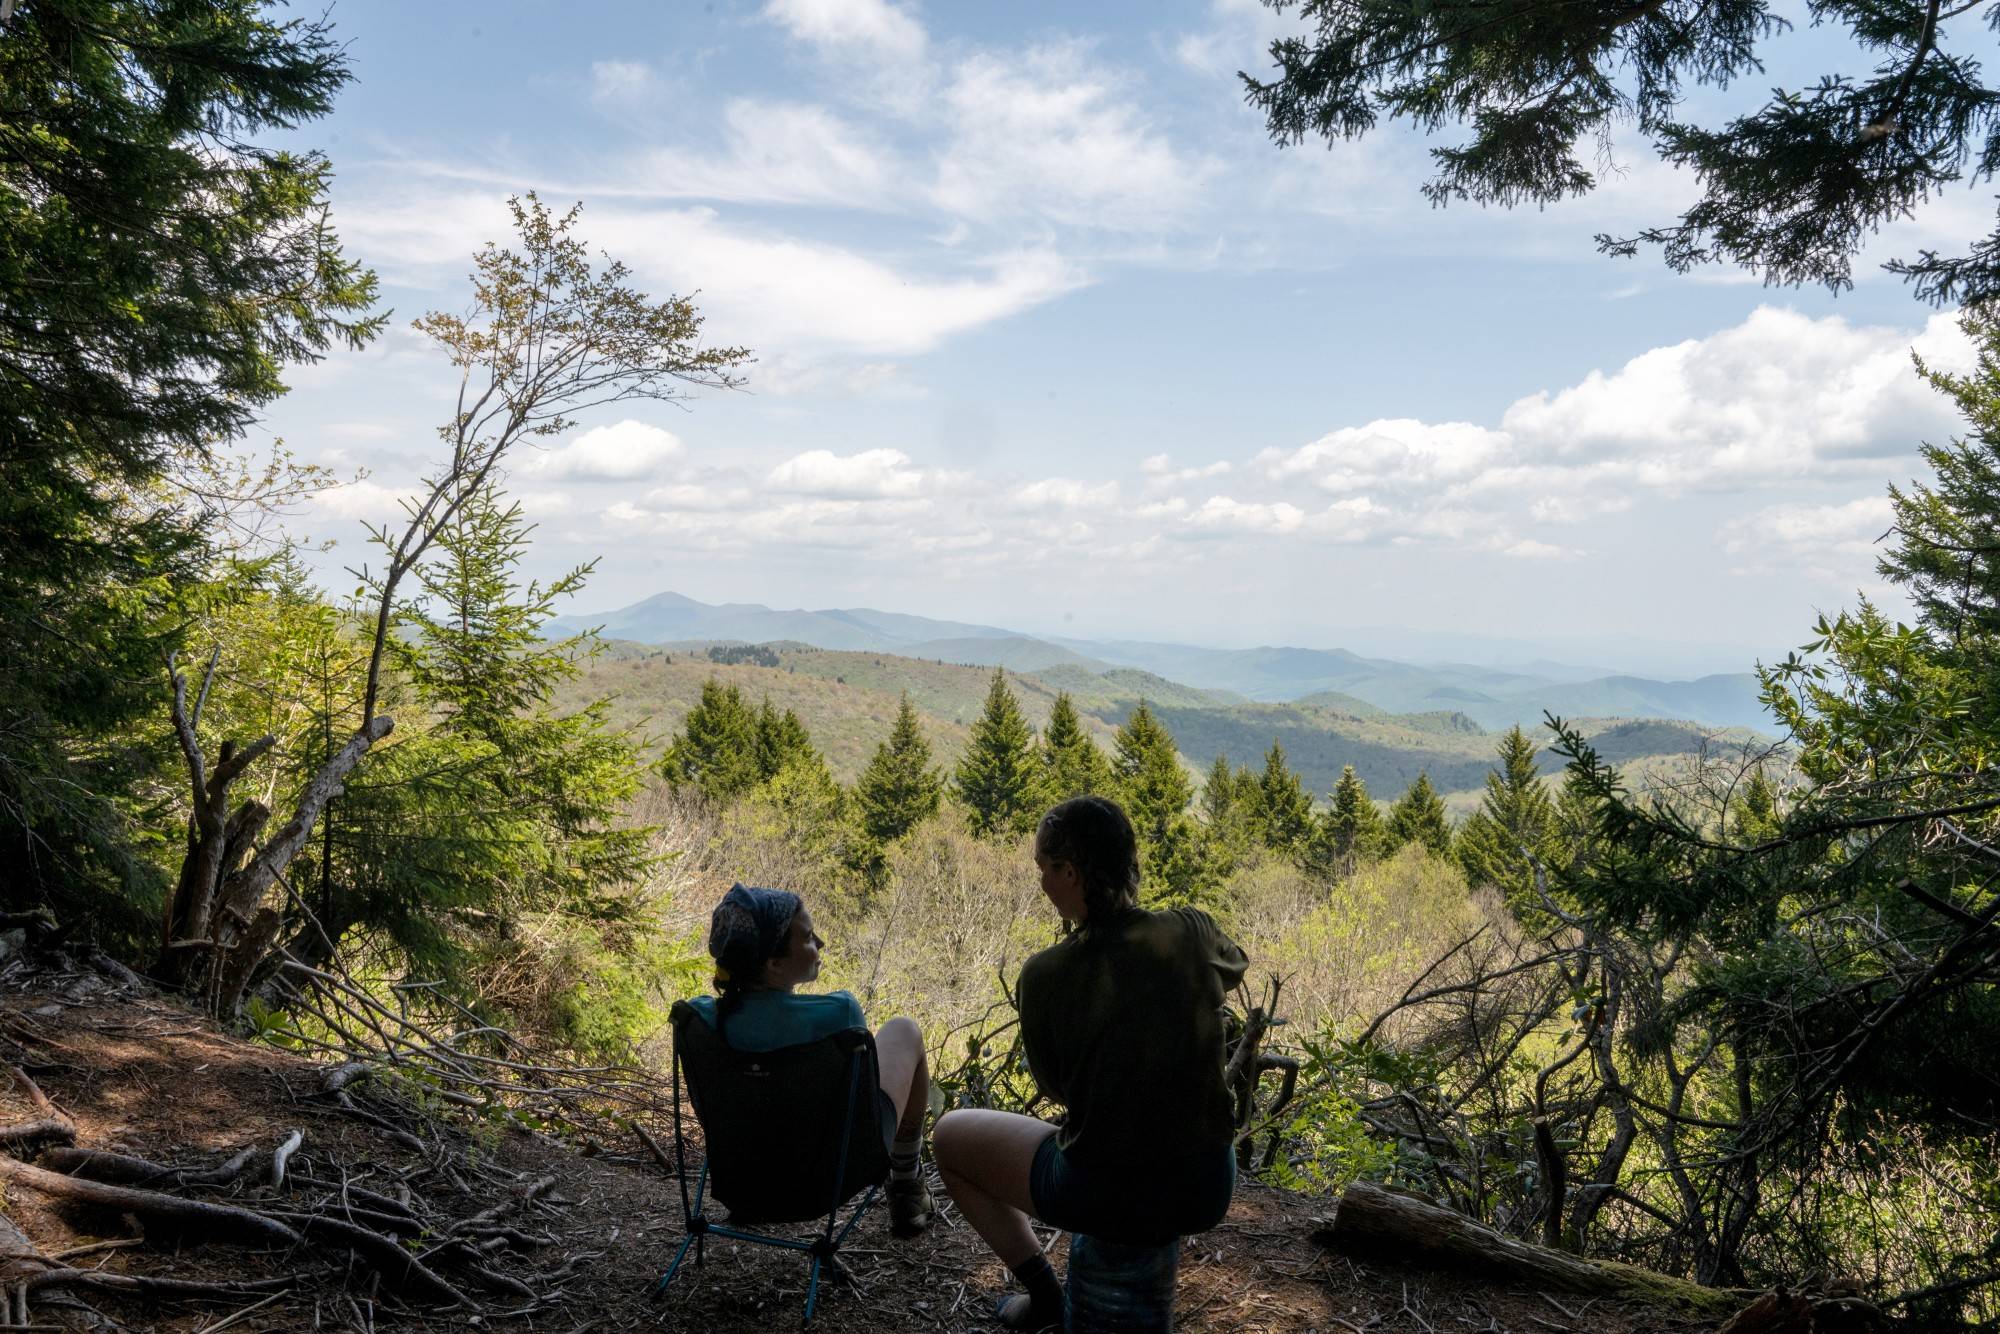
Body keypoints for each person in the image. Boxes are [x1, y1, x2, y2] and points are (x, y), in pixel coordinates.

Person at [932, 796, 1249, 1331]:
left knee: (949, 1139)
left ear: (1070, 873)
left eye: (1044, 869)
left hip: (1101, 1191)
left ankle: (1044, 1296)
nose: (1041, 883)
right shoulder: (1191, 932)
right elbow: (1235, 968)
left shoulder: (1044, 975)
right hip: (1204, 1186)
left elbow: (1058, 1086)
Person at [685, 882, 935, 1238]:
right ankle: (907, 1188)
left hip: (742, 1184)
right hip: (825, 1184)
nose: (820, 943)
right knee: (904, 1030)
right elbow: (859, 1104)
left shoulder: (697, 1021)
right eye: (806, 938)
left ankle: (757, 1196)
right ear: (773, 963)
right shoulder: (839, 1013)